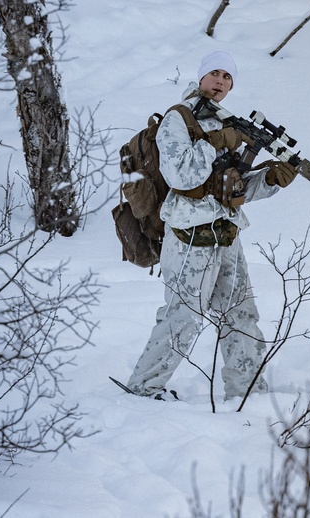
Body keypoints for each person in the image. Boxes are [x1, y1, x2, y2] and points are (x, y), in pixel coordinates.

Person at [125, 51, 298, 400]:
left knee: (241, 315)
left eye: (227, 77)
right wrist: (214, 142)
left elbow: (231, 189)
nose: (220, 81)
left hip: (227, 235)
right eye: (214, 74)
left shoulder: (226, 121)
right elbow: (184, 175)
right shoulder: (180, 119)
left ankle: (248, 390)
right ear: (201, 77)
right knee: (184, 317)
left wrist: (271, 179)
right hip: (189, 237)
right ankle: (143, 389)